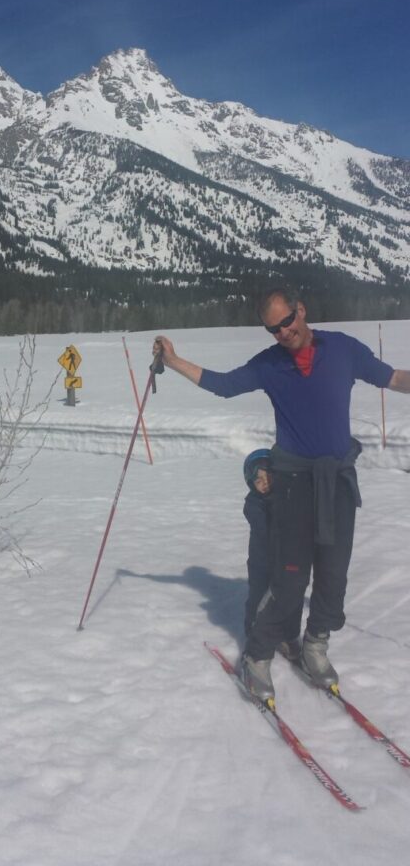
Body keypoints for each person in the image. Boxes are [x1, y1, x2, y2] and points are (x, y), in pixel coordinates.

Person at [153, 287, 410, 704]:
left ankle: (315, 645)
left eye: (287, 321)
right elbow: (222, 385)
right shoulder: (269, 365)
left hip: (337, 479)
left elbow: (393, 378)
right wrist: (173, 359)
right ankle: (258, 654)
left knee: (334, 573)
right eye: (273, 329)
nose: (283, 332)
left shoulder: (343, 350)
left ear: (301, 310)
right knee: (289, 578)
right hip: (291, 482)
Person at [242, 449, 302, 659]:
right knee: (259, 598)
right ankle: (253, 633)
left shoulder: (284, 496)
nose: (265, 482)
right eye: (258, 479)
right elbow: (267, 530)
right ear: (251, 484)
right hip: (262, 563)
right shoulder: (253, 505)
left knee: (290, 599)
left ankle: (288, 635)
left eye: (268, 475)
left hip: (284, 562)